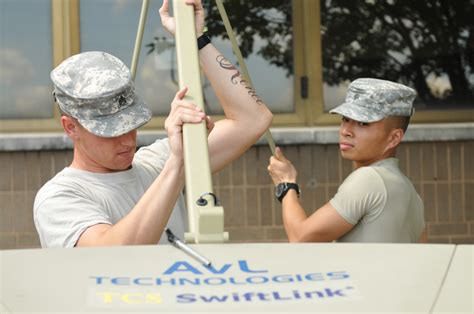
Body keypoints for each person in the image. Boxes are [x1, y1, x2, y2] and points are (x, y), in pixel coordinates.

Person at [34, 0, 272, 248]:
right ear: (71, 127)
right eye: (110, 131)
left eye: (131, 124)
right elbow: (111, 256)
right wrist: (177, 164)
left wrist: (195, 40)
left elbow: (253, 119)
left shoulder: (155, 163)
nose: (127, 140)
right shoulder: (59, 197)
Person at [267, 78, 425, 243]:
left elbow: (301, 238)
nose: (346, 131)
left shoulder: (369, 178)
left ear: (394, 138)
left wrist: (286, 184)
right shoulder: (411, 194)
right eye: (345, 119)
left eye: (363, 123)